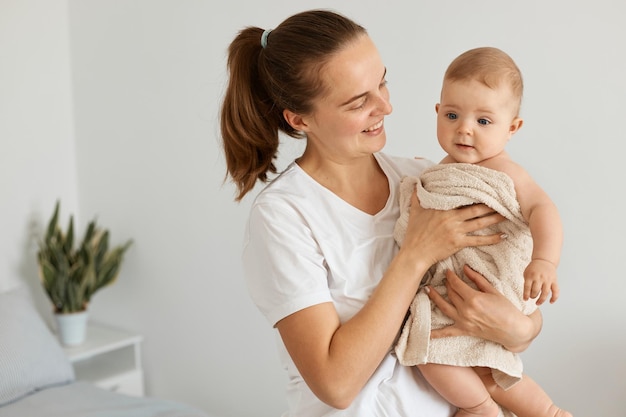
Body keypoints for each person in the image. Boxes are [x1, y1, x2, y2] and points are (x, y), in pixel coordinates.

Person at [220, 10, 543, 417]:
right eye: (359, 102)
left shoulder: (424, 181)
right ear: (300, 119)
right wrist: (415, 255)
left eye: (382, 83)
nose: (385, 106)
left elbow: (504, 290)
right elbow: (335, 385)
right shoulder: (284, 216)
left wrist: (521, 329)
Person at [393, 47, 571, 417]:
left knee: (437, 354)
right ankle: (493, 406)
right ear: (437, 112)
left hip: (489, 284)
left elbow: (543, 210)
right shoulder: (438, 170)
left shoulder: (509, 172)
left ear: (513, 128)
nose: (465, 129)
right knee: (459, 360)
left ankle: (507, 409)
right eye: (453, 115)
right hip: (450, 289)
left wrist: (544, 260)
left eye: (484, 121)